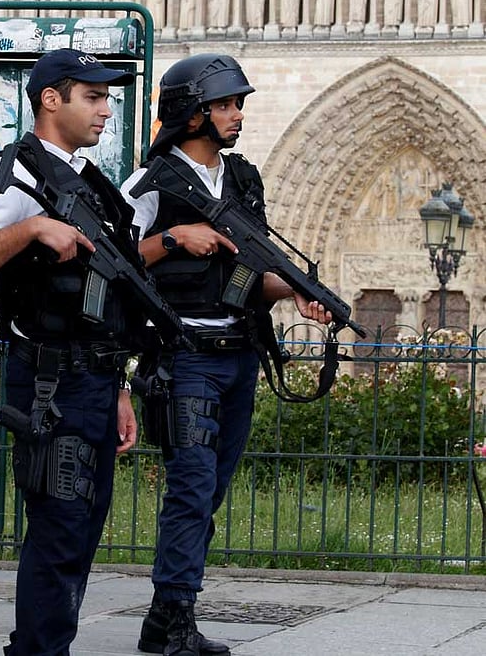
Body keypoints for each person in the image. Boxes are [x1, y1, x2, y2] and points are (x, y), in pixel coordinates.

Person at [120, 54, 332, 656]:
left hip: (239, 353)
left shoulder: (242, 182)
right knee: (191, 485)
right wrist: (172, 239)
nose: (237, 114)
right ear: (192, 112)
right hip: (184, 355)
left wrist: (295, 292)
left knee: (209, 490)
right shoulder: (149, 183)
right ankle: (178, 620)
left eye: (238, 104)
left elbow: (249, 277)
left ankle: (163, 615)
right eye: (226, 104)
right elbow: (109, 264)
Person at [0, 49, 141, 655]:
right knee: (60, 527)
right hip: (51, 380)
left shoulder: (90, 182)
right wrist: (29, 228)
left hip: (95, 377)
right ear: (51, 99)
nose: (106, 110)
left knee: (81, 530)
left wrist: (121, 387)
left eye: (107, 98)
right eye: (93, 96)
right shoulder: (16, 175)